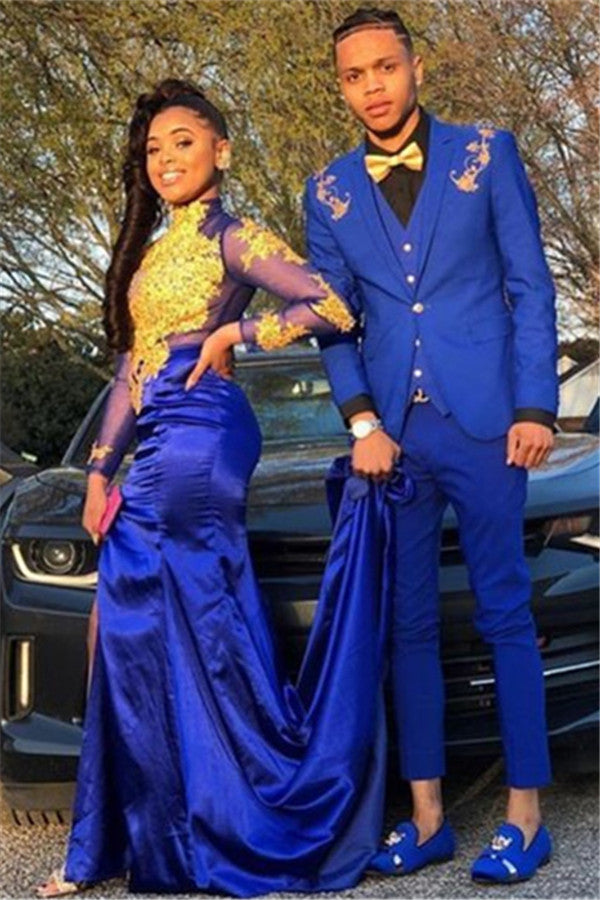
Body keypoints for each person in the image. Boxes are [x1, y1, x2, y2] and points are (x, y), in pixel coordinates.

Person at [35, 77, 398, 897]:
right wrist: (99, 471)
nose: (166, 158)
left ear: (221, 152)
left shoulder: (233, 235)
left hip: (202, 433)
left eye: (184, 142)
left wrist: (240, 329)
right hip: (157, 437)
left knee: (172, 614)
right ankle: (155, 826)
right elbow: (130, 372)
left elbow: (331, 304)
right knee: (135, 622)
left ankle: (221, 818)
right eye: (154, 148)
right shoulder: (152, 253)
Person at [304, 7, 558, 885]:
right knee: (407, 626)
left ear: (416, 67)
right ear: (341, 88)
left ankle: (525, 817)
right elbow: (334, 323)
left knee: (504, 612)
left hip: (489, 424)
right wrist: (362, 422)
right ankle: (427, 817)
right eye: (354, 76)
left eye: (385, 67)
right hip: (394, 441)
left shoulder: (488, 152)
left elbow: (531, 284)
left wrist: (536, 405)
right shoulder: (327, 191)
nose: (372, 87)